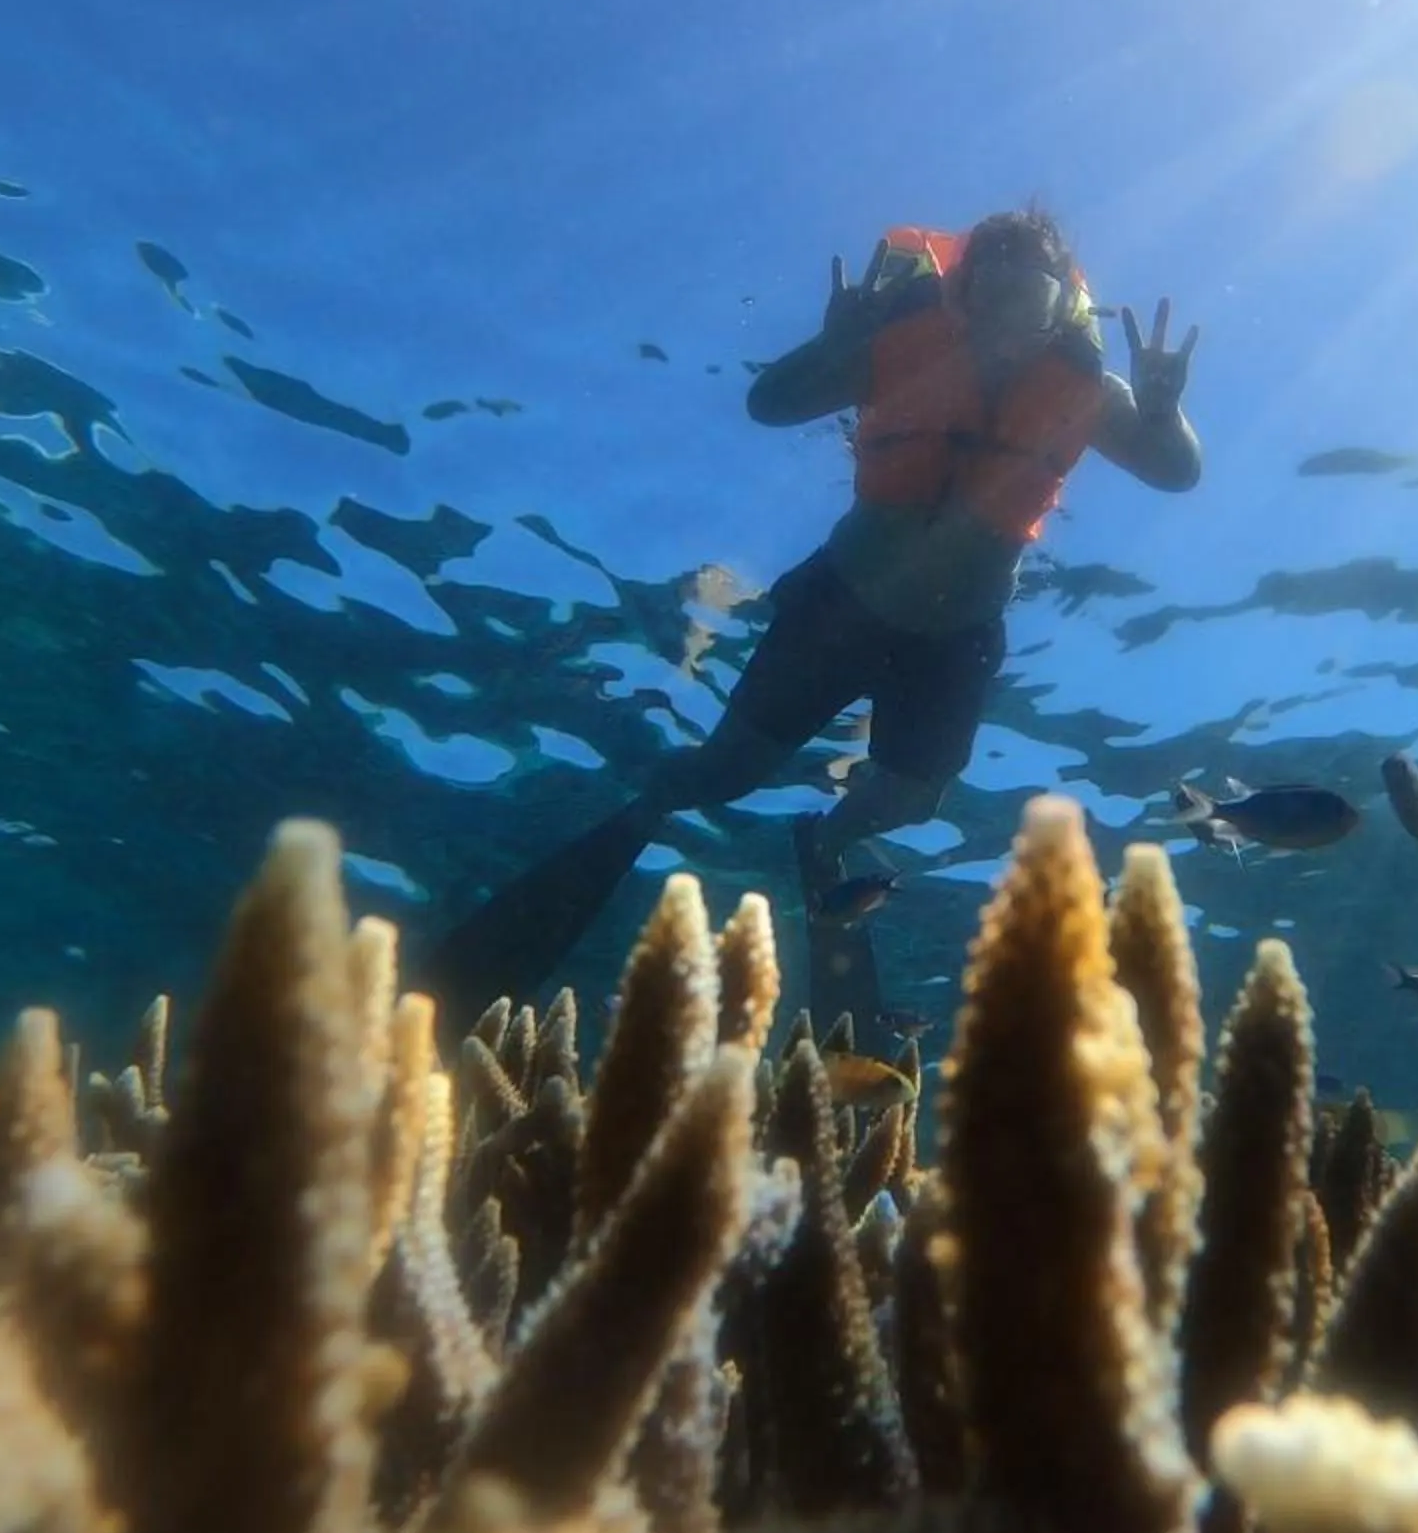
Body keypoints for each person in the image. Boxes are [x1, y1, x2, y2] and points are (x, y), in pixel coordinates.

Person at [425, 207, 1202, 1031]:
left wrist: (1162, 414)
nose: (1007, 322)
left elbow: (1175, 471)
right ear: (960, 296)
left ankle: (827, 838)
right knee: (726, 773)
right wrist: (835, 349)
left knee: (912, 802)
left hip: (954, 643)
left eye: (1030, 300)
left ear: (1061, 310)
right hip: (839, 608)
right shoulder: (894, 347)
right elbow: (769, 403)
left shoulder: (1088, 391)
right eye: (992, 294)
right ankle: (651, 806)